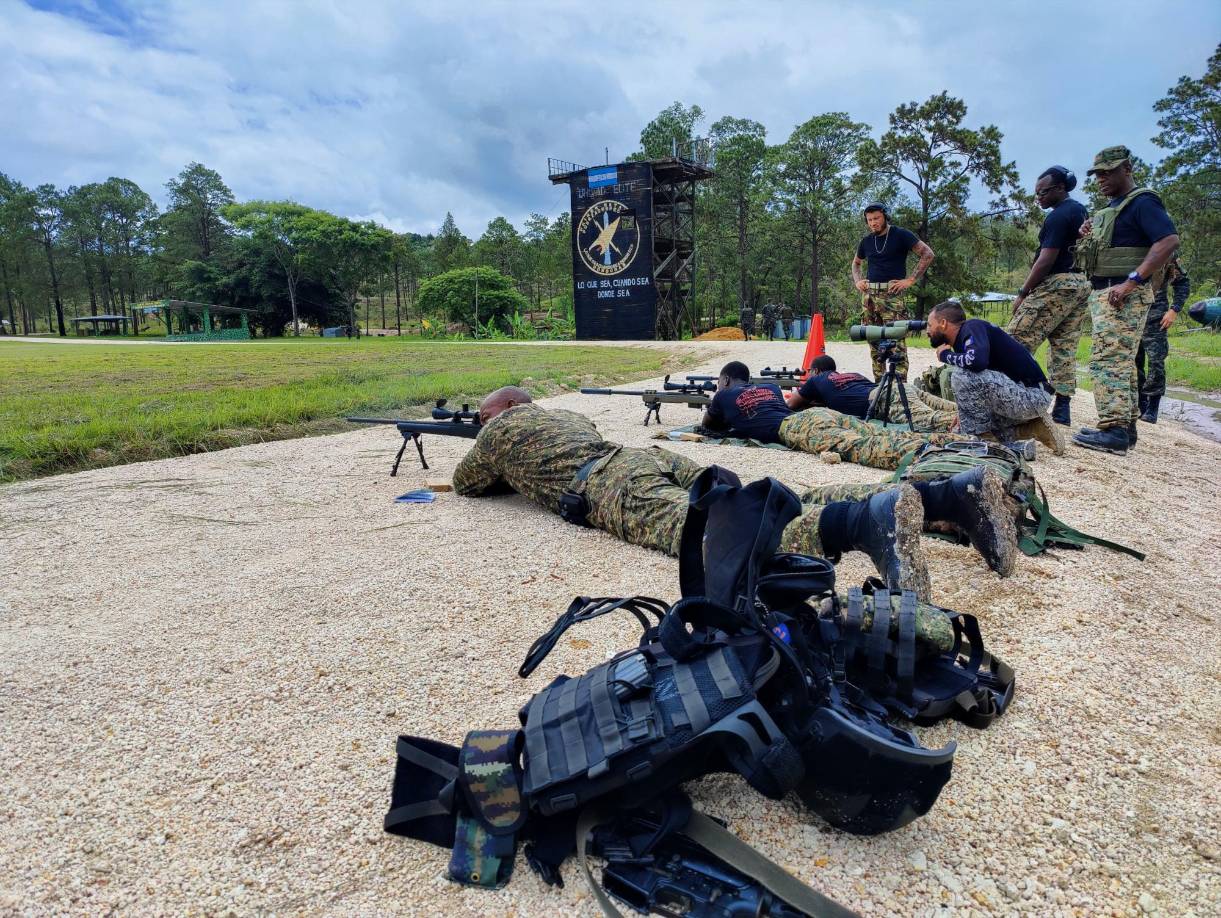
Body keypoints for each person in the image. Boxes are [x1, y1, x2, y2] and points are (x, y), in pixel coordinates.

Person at [453, 387, 1017, 601]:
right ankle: (945, 495)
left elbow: (466, 484)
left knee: (718, 535)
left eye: (484, 415)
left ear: (501, 412)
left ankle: (863, 522)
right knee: (768, 494)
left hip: (607, 483)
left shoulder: (498, 432)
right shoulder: (563, 413)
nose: (483, 423)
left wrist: (481, 435)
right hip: (643, 458)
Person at [1072, 145, 1180, 456]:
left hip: (1121, 294)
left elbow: (1169, 240)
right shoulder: (1114, 208)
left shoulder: (1142, 202)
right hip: (1107, 290)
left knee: (1108, 360)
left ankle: (1115, 430)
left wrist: (1132, 281)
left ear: (1127, 169)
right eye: (1098, 173)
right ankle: (1126, 427)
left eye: (1109, 171)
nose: (1102, 178)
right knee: (1124, 361)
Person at [701, 362, 958, 470]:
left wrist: (720, 405)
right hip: (821, 413)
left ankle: (932, 453)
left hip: (796, 427)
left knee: (864, 446)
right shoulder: (769, 387)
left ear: (724, 380)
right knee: (879, 433)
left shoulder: (723, 397)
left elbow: (708, 425)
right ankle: (950, 441)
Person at [1007, 166, 1091, 426]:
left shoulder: (1059, 215)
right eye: (1036, 193)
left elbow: (1046, 259)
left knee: (1014, 341)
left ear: (1060, 189)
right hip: (1079, 283)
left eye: (1042, 192)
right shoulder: (1079, 210)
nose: (1039, 198)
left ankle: (1012, 402)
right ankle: (1062, 408)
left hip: (1056, 283)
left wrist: (1023, 293)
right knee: (1064, 347)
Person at [925, 301, 1063, 454]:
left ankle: (983, 443)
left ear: (943, 323)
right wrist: (964, 411)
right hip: (1025, 399)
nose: (927, 331)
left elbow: (977, 362)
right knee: (961, 428)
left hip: (1032, 396)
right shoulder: (965, 340)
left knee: (960, 375)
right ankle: (1033, 428)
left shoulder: (972, 327)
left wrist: (945, 355)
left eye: (930, 325)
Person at [851, 204, 935, 382]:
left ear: (885, 217)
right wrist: (858, 280)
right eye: (870, 220)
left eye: (877, 218)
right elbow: (856, 263)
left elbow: (927, 254)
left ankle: (899, 386)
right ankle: (879, 384)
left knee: (896, 341)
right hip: (869, 297)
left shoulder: (901, 234)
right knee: (873, 340)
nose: (873, 223)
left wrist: (910, 280)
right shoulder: (866, 241)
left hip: (892, 296)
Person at [787, 355, 958, 432]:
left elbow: (792, 404)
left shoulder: (816, 379)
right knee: (951, 407)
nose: (808, 374)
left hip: (886, 399)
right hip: (899, 389)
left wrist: (806, 399)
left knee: (930, 420)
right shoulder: (852, 375)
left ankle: (979, 426)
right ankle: (979, 414)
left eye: (809, 371)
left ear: (816, 371)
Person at [1135, 255, 1190, 424]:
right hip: (1131, 313)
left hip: (1156, 315)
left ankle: (1153, 406)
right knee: (1133, 362)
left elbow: (1182, 282)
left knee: (1156, 361)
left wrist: (1174, 310)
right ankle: (1140, 402)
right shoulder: (1129, 244)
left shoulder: (1164, 251)